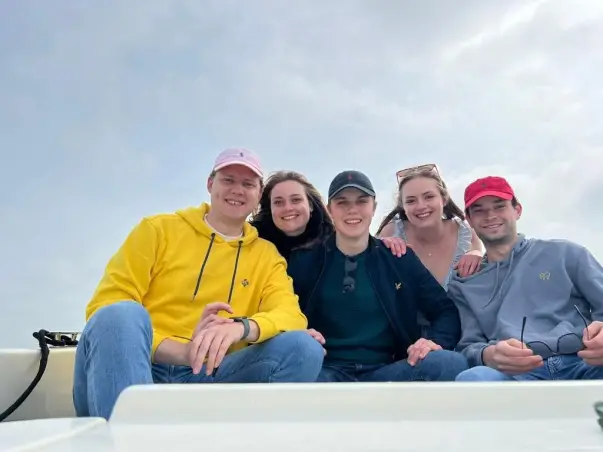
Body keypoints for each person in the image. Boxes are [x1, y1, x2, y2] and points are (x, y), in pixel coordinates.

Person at [73, 148, 325, 419]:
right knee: (120, 313)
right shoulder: (157, 230)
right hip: (137, 369)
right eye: (228, 180)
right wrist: (182, 352)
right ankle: (126, 436)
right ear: (210, 184)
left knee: (303, 348)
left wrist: (240, 328)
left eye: (248, 184)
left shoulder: (267, 256)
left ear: (257, 194)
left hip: (212, 375)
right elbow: (105, 306)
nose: (237, 190)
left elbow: (290, 314)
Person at [287, 170, 468, 382]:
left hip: (386, 370)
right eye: (342, 202)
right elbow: (281, 311)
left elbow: (445, 310)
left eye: (362, 201)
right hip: (325, 370)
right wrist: (297, 335)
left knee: (450, 363)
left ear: (373, 207)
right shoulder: (304, 260)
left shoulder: (398, 258)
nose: (352, 210)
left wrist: (433, 341)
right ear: (330, 210)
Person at [450, 176, 603, 381]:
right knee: (472, 379)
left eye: (499, 206)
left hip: (584, 361)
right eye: (479, 210)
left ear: (517, 210)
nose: (490, 215)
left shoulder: (567, 254)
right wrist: (489, 354)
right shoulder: (465, 283)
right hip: (516, 374)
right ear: (469, 220)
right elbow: (468, 345)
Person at [250, 170, 406, 261]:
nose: (288, 208)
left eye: (296, 200)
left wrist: (382, 244)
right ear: (269, 208)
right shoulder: (251, 243)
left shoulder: (329, 241)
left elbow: (358, 242)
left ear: (310, 204)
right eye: (278, 202)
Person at [376, 164, 483, 290]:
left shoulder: (466, 233)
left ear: (443, 199)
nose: (421, 206)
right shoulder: (391, 232)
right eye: (411, 201)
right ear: (403, 207)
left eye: (429, 197)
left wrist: (477, 254)